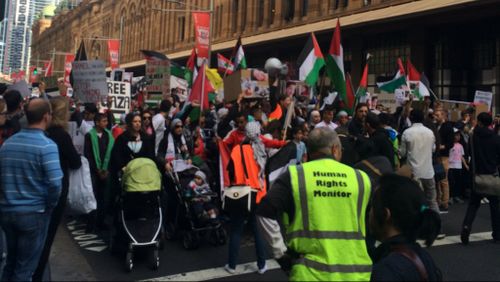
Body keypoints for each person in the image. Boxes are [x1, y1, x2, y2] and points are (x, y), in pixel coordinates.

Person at [256, 128, 373, 281]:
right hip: (356, 273)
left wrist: (280, 253)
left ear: (309, 150)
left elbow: (264, 211)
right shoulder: (361, 178)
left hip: (309, 274)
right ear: (335, 149)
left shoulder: (295, 176)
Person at [0, 98, 63, 281]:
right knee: (25, 269)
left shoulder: (8, 144)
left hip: (7, 212)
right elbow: (55, 184)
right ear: (46, 117)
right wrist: (49, 205)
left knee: (11, 262)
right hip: (34, 213)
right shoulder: (47, 146)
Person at [33, 97, 82, 281]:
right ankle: (37, 274)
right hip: (56, 189)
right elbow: (75, 162)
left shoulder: (42, 132)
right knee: (47, 237)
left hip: (37, 189)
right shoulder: (61, 135)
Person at [370, 174, 442, 281]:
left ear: (386, 214)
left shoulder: (386, 271)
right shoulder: (424, 258)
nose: (369, 213)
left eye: (372, 206)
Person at [225, 122, 269, 275]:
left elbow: (230, 170)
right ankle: (262, 265)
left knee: (236, 229)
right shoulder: (261, 150)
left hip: (240, 193)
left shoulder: (237, 149)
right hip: (257, 193)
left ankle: (231, 265)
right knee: (257, 230)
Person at [461, 112, 500, 245]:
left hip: (477, 176)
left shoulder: (473, 137)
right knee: (495, 206)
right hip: (492, 176)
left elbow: (469, 154)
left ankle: (466, 227)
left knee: (473, 204)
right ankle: (497, 234)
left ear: (480, 122)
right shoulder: (496, 138)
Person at [400, 110, 440, 213]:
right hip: (428, 171)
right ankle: (436, 224)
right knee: (432, 201)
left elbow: (403, 153)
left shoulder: (407, 132)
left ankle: (417, 224)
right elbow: (433, 149)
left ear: (411, 118)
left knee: (415, 201)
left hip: (413, 172)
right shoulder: (430, 132)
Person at [84, 113, 115, 232]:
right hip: (94, 171)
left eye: (107, 121)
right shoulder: (89, 135)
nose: (106, 123)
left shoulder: (109, 136)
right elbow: (88, 155)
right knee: (93, 197)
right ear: (97, 122)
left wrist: (106, 170)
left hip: (106, 171)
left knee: (104, 197)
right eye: (103, 121)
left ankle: (101, 222)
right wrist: (97, 170)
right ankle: (91, 223)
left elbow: (111, 153)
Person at [435, 109, 455, 212]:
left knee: (443, 180)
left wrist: (442, 146)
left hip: (443, 156)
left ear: (443, 115)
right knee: (437, 180)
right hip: (436, 156)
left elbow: (450, 144)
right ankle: (438, 200)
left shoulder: (448, 127)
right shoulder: (436, 126)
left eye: (437, 115)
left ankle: (445, 202)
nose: (435, 117)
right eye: (435, 115)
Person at [448, 129, 468, 204]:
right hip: (451, 166)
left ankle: (456, 196)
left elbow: (461, 156)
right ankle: (451, 197)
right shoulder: (450, 145)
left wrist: (465, 165)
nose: (457, 137)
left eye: (459, 135)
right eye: (456, 135)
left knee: (458, 182)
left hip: (458, 166)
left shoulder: (460, 145)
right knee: (451, 182)